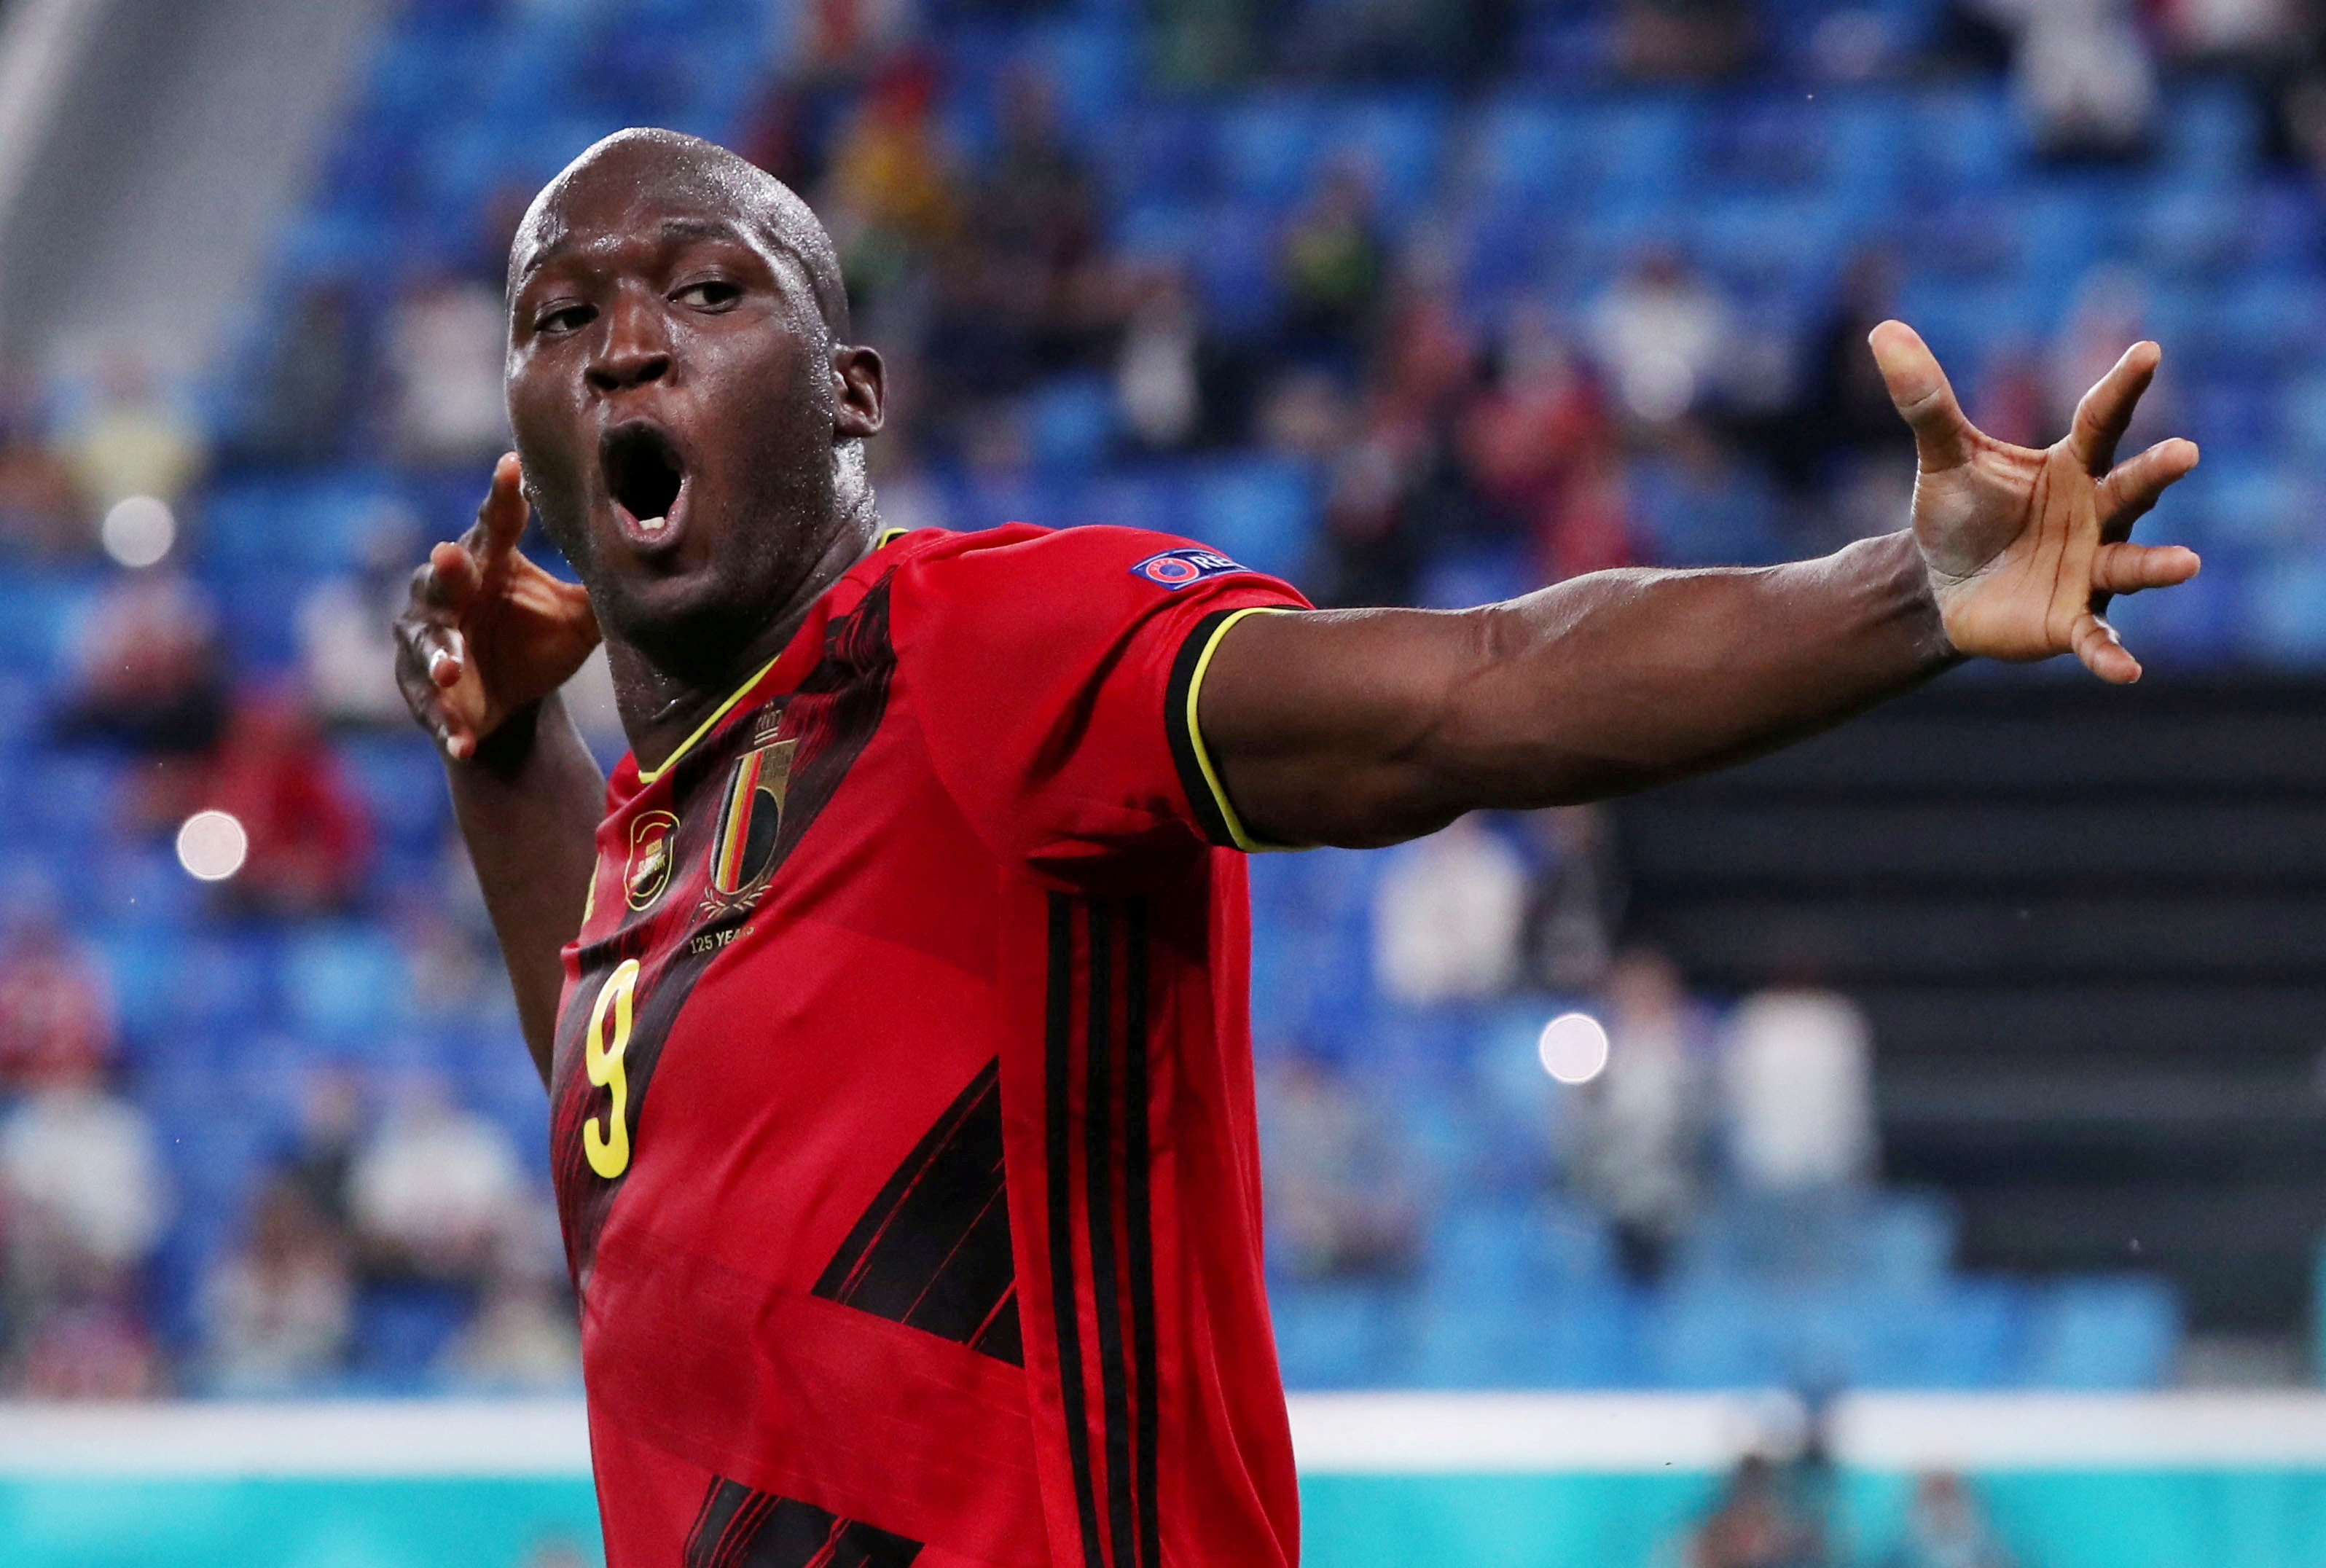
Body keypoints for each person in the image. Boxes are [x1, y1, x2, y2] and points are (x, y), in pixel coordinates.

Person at [393, 128, 2199, 1567]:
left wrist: (1909, 593)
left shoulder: (978, 648)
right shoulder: (659, 842)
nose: (625, 338)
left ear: (853, 390)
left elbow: (1465, 694)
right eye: (561, 316)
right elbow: (661, 1209)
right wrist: (499, 755)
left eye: (706, 291)